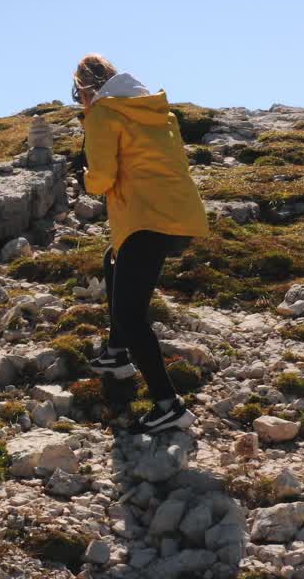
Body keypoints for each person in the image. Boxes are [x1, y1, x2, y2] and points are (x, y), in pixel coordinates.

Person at [73, 54, 210, 434]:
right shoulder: (158, 112)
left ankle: (168, 405)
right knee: (112, 260)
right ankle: (117, 354)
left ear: (85, 88)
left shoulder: (103, 113)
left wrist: (85, 176)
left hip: (144, 221)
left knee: (133, 317)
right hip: (180, 217)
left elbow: (102, 178)